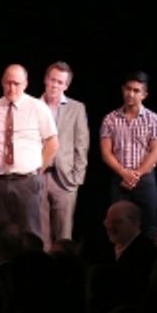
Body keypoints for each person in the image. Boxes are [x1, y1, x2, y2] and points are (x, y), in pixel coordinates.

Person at [0, 64, 57, 240]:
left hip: (26, 181)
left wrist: (38, 169)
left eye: (16, 83)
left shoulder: (37, 107)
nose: (11, 88)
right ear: (1, 83)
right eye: (8, 83)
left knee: (29, 233)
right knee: (1, 235)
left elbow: (53, 143)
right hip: (0, 181)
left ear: (25, 84)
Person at [100, 71, 157, 240]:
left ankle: (148, 264)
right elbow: (106, 153)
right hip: (119, 180)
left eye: (136, 91)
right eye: (128, 89)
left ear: (144, 95)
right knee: (118, 226)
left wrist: (136, 175)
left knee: (149, 226)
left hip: (145, 180)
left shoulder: (154, 120)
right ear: (123, 90)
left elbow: (156, 153)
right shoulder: (110, 119)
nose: (131, 94)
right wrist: (124, 173)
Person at [39, 62, 89, 250]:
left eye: (60, 82)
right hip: (39, 175)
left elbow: (82, 144)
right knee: (40, 234)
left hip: (65, 178)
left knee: (63, 235)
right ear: (45, 79)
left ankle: (63, 273)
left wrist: (77, 178)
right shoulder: (34, 105)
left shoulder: (76, 108)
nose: (54, 85)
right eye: (52, 80)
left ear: (66, 86)